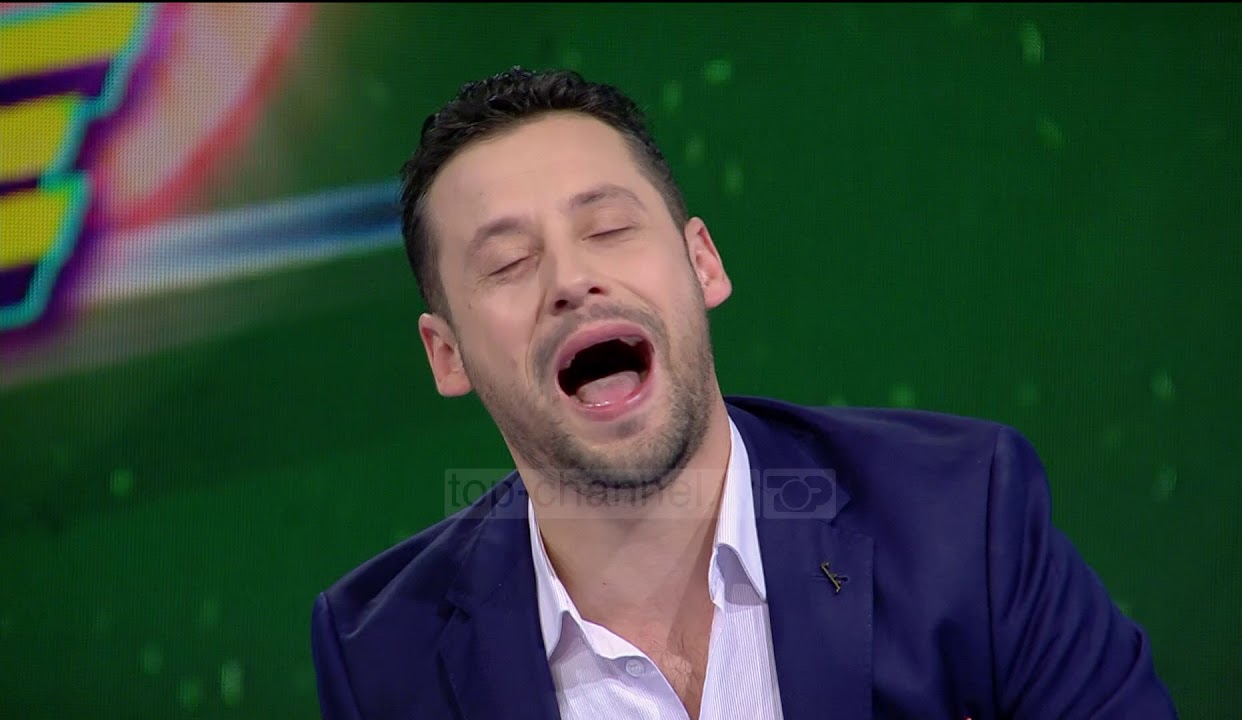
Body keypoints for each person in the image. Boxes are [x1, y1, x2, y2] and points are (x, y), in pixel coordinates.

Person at [310, 66, 1177, 720]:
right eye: (508, 263)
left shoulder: (961, 519)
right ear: (447, 355)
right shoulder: (382, 657)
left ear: (703, 263)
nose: (571, 279)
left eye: (608, 228)